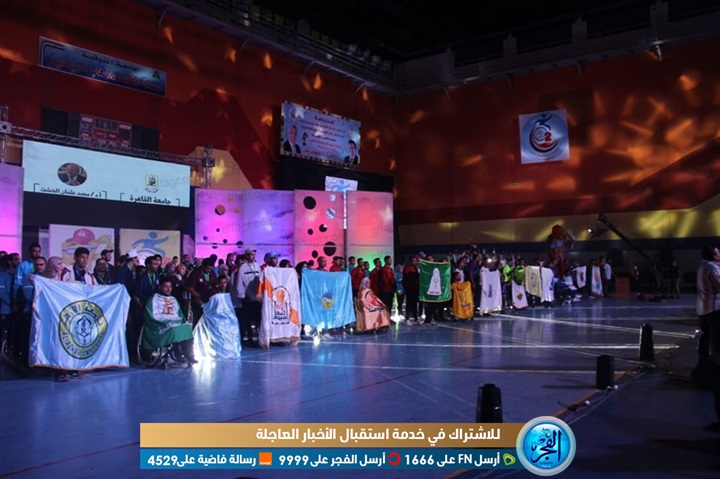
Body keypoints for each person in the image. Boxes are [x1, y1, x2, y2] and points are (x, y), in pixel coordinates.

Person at [142, 277, 196, 368]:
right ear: (160, 287)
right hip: (159, 325)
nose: (168, 289)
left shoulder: (173, 299)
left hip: (173, 323)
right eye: (165, 287)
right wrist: (165, 321)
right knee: (173, 329)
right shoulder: (153, 300)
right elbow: (151, 316)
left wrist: (177, 321)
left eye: (170, 287)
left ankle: (188, 354)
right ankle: (177, 354)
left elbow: (179, 315)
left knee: (186, 328)